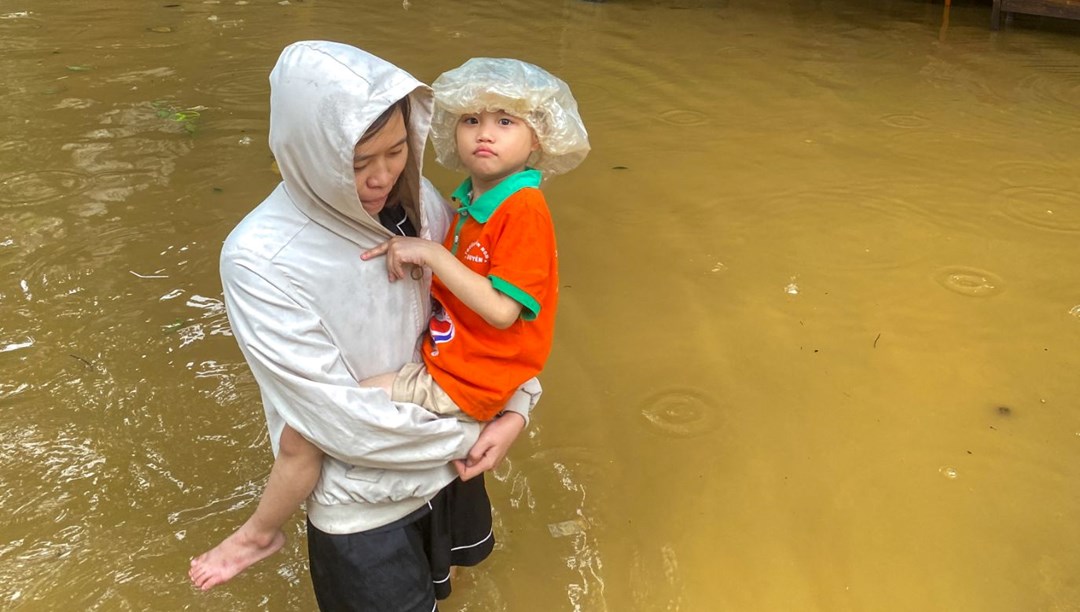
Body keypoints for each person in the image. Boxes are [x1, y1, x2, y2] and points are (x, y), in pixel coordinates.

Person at [187, 41, 540, 611]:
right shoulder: (260, 259)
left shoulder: (421, 201)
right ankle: (259, 533)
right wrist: (478, 429)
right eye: (356, 163)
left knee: (459, 591)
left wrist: (518, 406)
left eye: (397, 150)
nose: (382, 177)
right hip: (367, 500)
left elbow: (489, 314)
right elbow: (340, 422)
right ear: (306, 154)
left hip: (457, 462)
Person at [359, 57, 591, 425]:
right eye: (471, 120)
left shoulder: (523, 208)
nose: (485, 133)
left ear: (537, 137)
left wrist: (431, 253)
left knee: (350, 398)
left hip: (471, 381)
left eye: (505, 121)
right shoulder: (470, 203)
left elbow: (502, 312)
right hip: (456, 361)